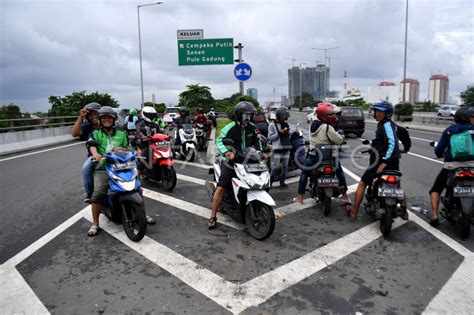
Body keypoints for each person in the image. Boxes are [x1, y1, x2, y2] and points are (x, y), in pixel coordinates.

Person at [86, 106, 155, 236]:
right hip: (104, 168)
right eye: (104, 118)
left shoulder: (121, 134)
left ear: (114, 120)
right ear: (100, 120)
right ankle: (95, 223)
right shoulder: (95, 134)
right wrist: (95, 154)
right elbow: (92, 146)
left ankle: (143, 215)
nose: (107, 120)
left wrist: (125, 150)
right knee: (98, 193)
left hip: (123, 166)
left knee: (137, 190)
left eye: (109, 118)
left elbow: (129, 148)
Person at [208, 101, 264, 229]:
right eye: (246, 115)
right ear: (239, 115)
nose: (248, 118)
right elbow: (219, 141)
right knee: (221, 187)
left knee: (262, 180)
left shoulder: (251, 127)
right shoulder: (230, 128)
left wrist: (261, 153)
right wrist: (227, 152)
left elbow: (258, 141)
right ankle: (212, 216)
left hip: (249, 161)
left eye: (250, 115)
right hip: (232, 163)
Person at [349, 101, 404, 219]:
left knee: (362, 184)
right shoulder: (388, 124)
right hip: (392, 161)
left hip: (381, 162)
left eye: (381, 112)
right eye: (376, 111)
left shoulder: (386, 125)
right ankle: (405, 214)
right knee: (397, 186)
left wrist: (384, 162)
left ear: (387, 113)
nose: (377, 114)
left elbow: (392, 143)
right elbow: (402, 134)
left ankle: (353, 212)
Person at [293, 102, 351, 204]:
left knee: (305, 173)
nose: (333, 116)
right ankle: (345, 196)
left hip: (313, 155)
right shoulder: (328, 127)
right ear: (324, 116)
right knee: (340, 172)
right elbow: (338, 140)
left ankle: (300, 197)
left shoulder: (313, 125)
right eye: (330, 114)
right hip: (328, 156)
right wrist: (341, 137)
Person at [429, 106, 474, 227]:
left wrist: (439, 154)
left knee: (436, 189)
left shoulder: (450, 130)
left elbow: (439, 149)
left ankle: (434, 216)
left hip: (452, 167)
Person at [71, 102, 102, 203]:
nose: (93, 116)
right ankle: (89, 194)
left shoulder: (107, 122)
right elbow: (74, 133)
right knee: (86, 167)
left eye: (95, 114)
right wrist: (81, 117)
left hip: (111, 153)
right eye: (90, 115)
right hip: (95, 155)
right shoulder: (87, 127)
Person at [267, 106, 291, 188]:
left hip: (286, 148)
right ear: (278, 116)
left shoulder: (285, 124)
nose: (284, 119)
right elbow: (270, 138)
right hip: (277, 149)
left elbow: (288, 136)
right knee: (275, 167)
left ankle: (282, 182)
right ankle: (270, 182)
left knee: (285, 167)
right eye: (283, 118)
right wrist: (279, 133)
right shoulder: (272, 125)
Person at [136, 106, 163, 172]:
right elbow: (139, 132)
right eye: (149, 115)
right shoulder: (140, 124)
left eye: (152, 115)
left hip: (156, 144)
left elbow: (160, 131)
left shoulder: (155, 124)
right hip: (145, 144)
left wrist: (166, 135)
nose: (151, 116)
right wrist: (143, 137)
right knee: (143, 159)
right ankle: (138, 174)